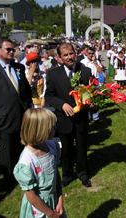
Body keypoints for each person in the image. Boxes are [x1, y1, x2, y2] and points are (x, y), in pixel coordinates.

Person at [45, 43, 93, 187]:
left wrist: (91, 102)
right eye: (65, 55)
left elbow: (91, 91)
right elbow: (49, 95)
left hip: (81, 118)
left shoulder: (85, 71)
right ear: (59, 57)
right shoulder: (53, 74)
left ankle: (82, 173)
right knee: (66, 148)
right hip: (64, 118)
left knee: (81, 146)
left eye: (71, 53)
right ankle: (67, 174)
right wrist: (62, 105)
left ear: (76, 53)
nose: (69, 57)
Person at [0, 37, 32, 189]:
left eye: (12, 49)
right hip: (4, 119)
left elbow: (26, 91)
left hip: (22, 117)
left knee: (23, 149)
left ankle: (23, 176)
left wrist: (28, 108)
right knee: (7, 153)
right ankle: (9, 181)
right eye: (7, 49)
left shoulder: (18, 68)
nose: (11, 52)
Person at [14, 108, 67, 218]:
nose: (55, 129)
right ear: (40, 130)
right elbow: (31, 197)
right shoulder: (26, 162)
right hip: (39, 209)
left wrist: (60, 200)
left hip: (54, 202)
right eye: (51, 127)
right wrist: (51, 214)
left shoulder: (52, 147)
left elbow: (56, 175)